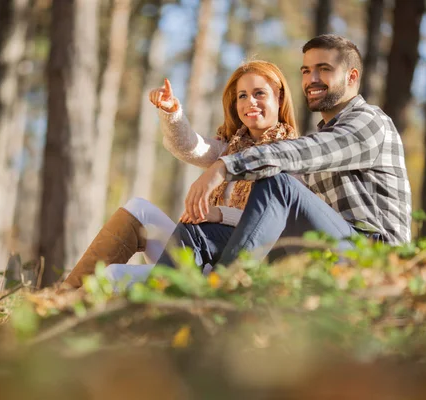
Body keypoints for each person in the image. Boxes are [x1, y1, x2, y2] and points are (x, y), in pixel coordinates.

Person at [156, 34, 412, 270]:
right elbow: (191, 146)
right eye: (306, 71)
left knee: (279, 182)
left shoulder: (369, 122)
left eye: (324, 69)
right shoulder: (324, 133)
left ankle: (224, 290)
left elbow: (301, 153)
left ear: (352, 77)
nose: (312, 79)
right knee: (197, 234)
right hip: (327, 245)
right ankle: (157, 308)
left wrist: (224, 167)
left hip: (375, 257)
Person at [62, 60, 299, 288]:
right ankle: (63, 295)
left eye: (259, 93)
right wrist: (171, 111)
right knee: (138, 209)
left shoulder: (290, 154)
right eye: (242, 96)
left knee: (113, 275)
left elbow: (272, 223)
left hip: (230, 266)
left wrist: (220, 214)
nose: (250, 102)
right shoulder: (231, 149)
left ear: (279, 97)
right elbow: (189, 146)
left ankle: (72, 311)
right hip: (200, 248)